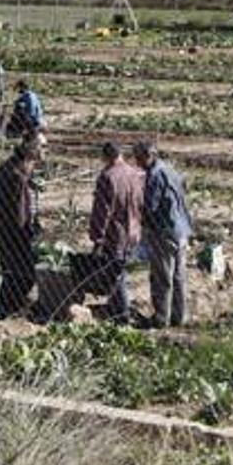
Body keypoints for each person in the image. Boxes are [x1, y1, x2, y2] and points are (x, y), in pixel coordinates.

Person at [133, 141, 193, 328]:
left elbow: (151, 207)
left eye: (138, 158)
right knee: (178, 276)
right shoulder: (171, 170)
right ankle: (179, 316)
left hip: (165, 232)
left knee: (162, 276)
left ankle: (161, 318)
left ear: (147, 156)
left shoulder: (154, 176)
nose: (137, 163)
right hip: (181, 229)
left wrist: (137, 219)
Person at [0, 141, 43, 321]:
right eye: (43, 147)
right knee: (22, 273)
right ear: (31, 155)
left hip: (4, 232)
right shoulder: (16, 177)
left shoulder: (7, 169)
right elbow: (19, 214)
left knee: (13, 272)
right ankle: (6, 308)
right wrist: (29, 232)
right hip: (14, 235)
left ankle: (9, 307)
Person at [88, 142, 144, 324]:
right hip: (133, 232)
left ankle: (122, 314)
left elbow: (101, 211)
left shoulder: (107, 177)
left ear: (105, 157)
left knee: (115, 274)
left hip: (115, 234)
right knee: (121, 269)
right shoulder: (134, 174)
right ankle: (115, 308)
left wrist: (97, 237)